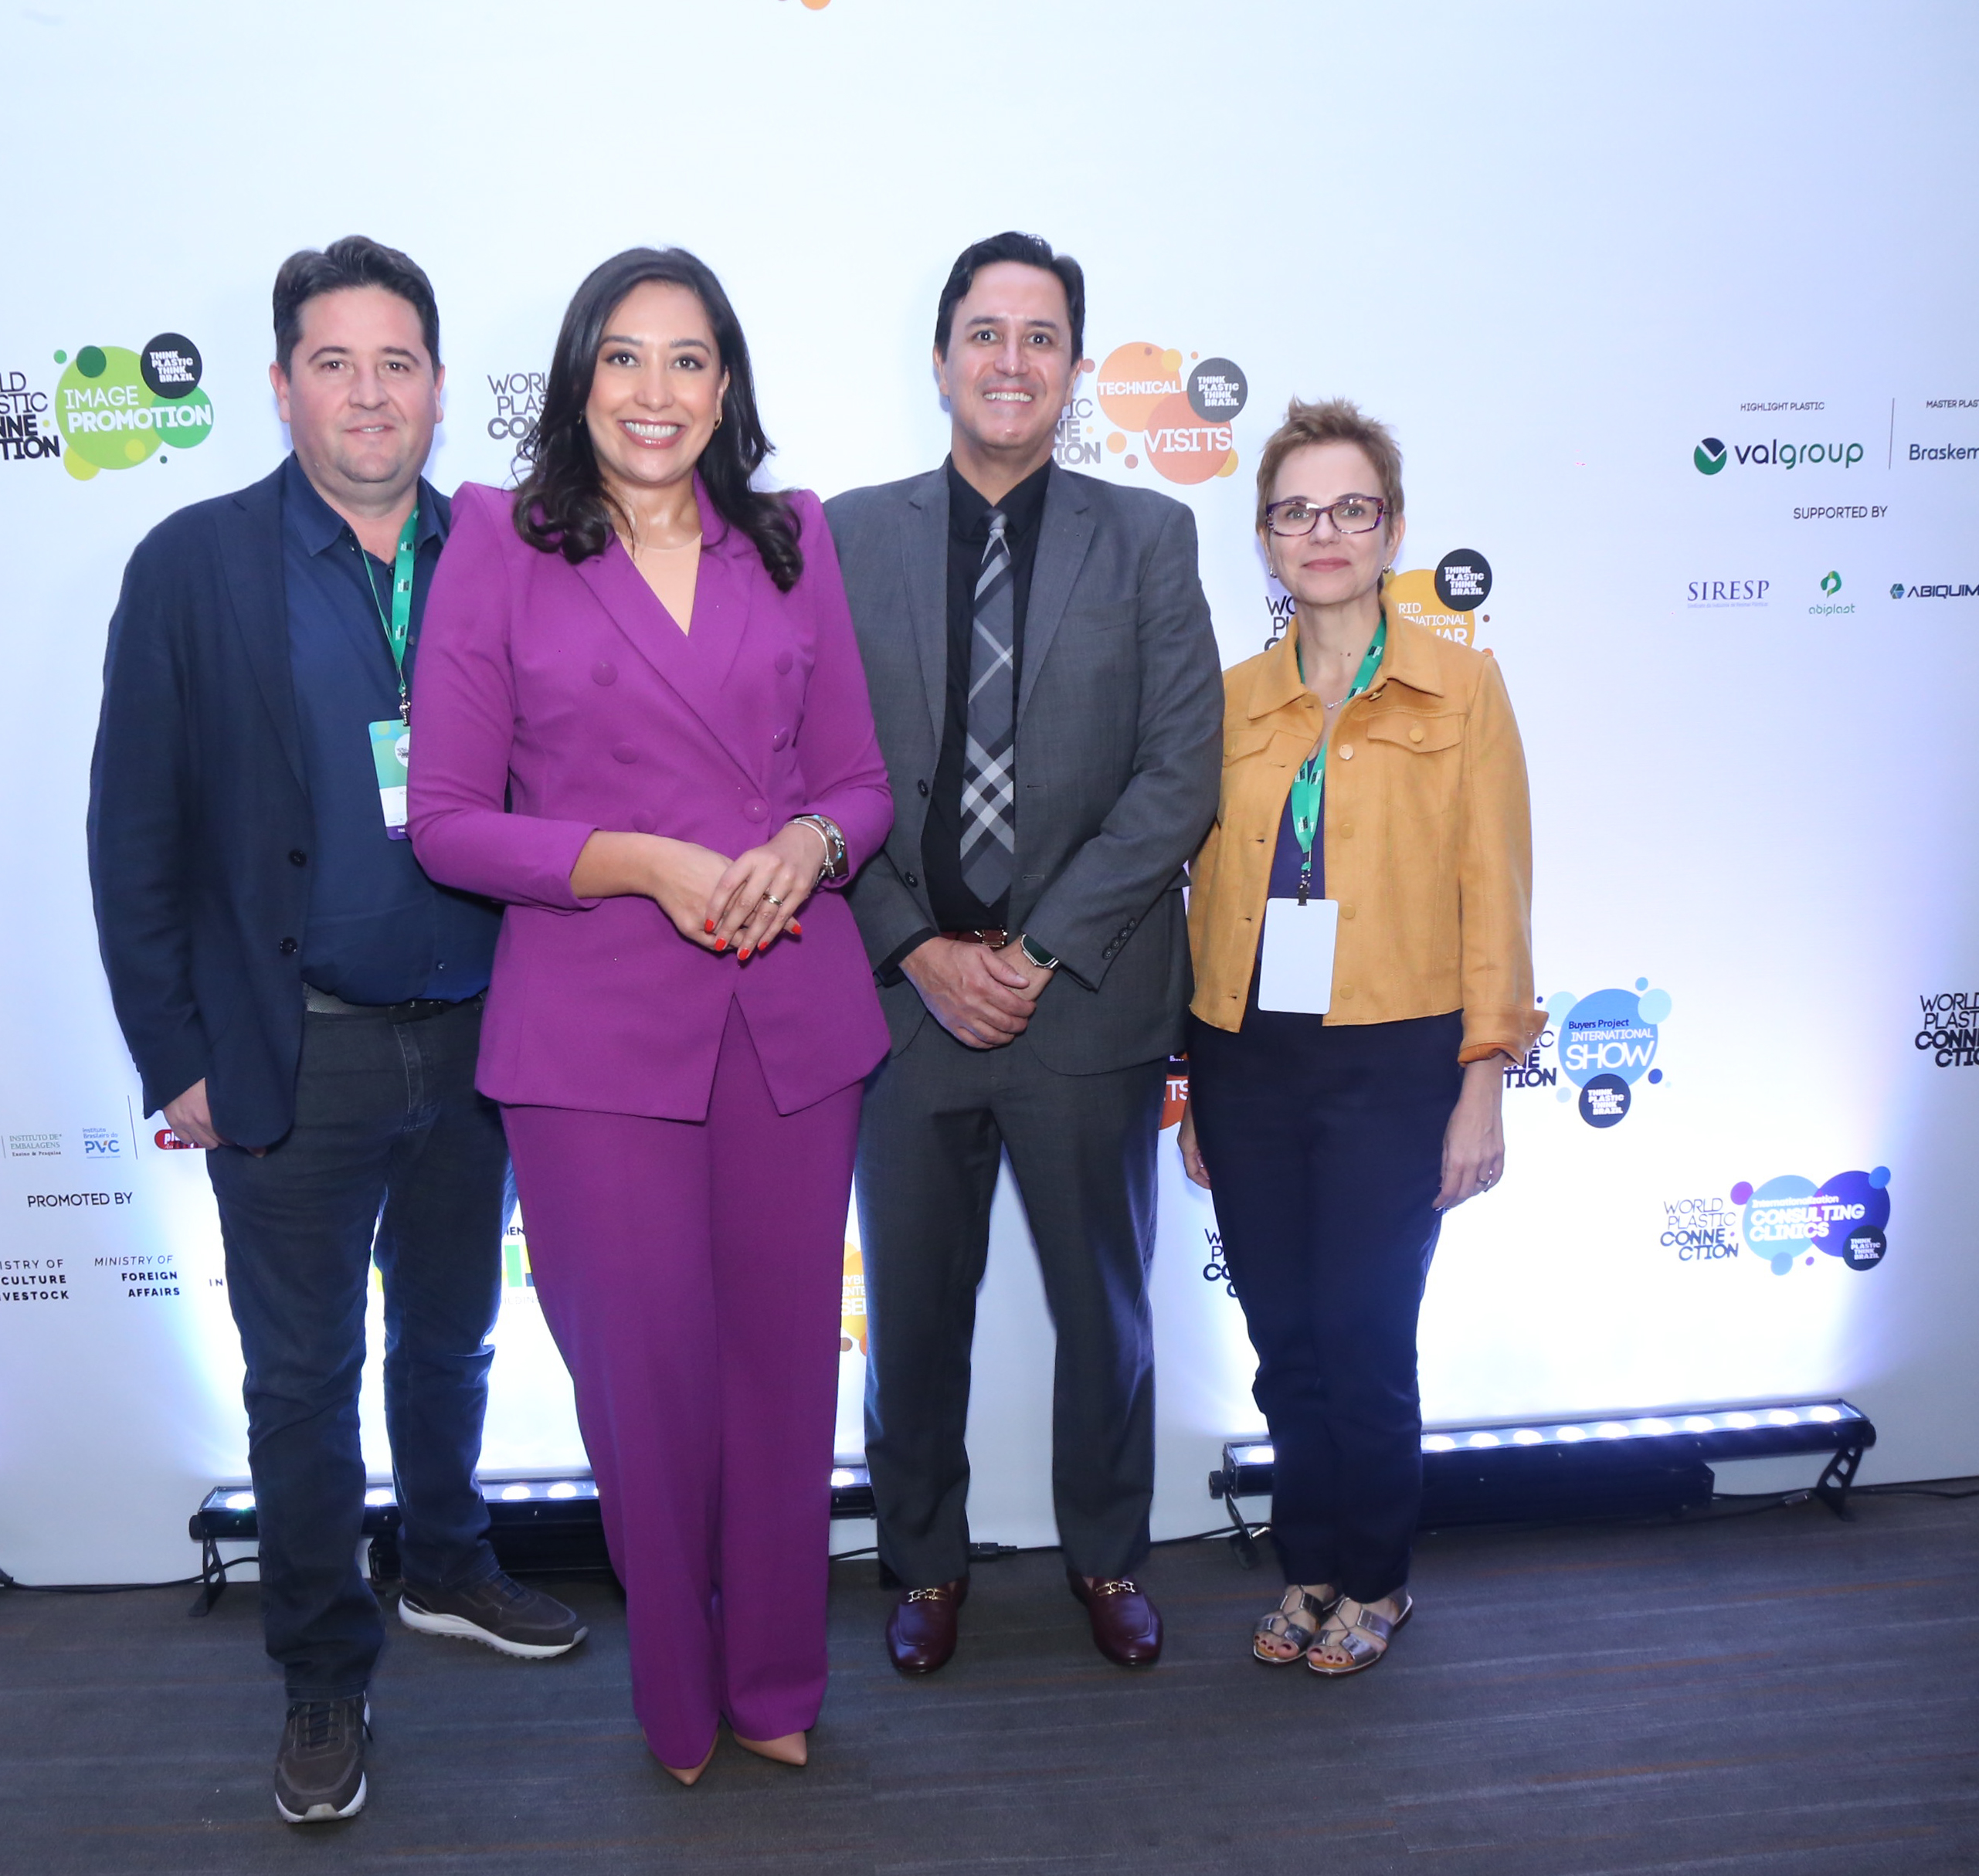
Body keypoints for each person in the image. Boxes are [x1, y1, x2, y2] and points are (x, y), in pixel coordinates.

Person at [87, 236, 586, 1829]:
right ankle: (321, 1670)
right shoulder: (196, 565)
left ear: (438, 386)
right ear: (282, 385)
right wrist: (177, 1055)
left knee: (455, 1336)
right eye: (333, 363)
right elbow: (132, 831)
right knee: (303, 1382)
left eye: (396, 363)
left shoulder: (509, 548)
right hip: (293, 1052)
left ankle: (446, 1561)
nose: (368, 393)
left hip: (485, 1035)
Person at [406, 248, 892, 1783]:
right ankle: (678, 1700)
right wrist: (639, 862)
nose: (656, 391)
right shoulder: (501, 541)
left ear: (727, 385)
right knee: (644, 1387)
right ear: (578, 380)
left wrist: (808, 845)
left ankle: (776, 1681)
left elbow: (860, 784)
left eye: (689, 360)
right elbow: (446, 822)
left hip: (789, 1018)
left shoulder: (792, 536)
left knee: (783, 1376)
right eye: (625, 357)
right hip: (595, 1034)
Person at [827, 232, 1223, 1678]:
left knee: (1105, 1313)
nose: (1011, 360)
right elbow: (808, 769)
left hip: (1087, 1006)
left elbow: (1179, 775)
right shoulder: (843, 538)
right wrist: (919, 949)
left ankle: (1107, 1554)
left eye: (1040, 337)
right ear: (941, 360)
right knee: (912, 1315)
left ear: (1074, 370)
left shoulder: (1149, 539)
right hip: (904, 1004)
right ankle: (923, 1563)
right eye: (984, 334)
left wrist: (1039, 949)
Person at [1176, 397, 1533, 1677]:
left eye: (1350, 508)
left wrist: (1482, 1083)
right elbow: (1192, 896)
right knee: (1283, 1341)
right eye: (1295, 511)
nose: (1322, 532)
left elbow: (1496, 895)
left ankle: (1378, 1578)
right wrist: (1193, 1082)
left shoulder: (1463, 688)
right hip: (1248, 1059)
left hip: (1397, 1056)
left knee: (1365, 1336)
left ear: (1392, 528)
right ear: (1266, 537)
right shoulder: (1227, 703)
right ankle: (1310, 1563)